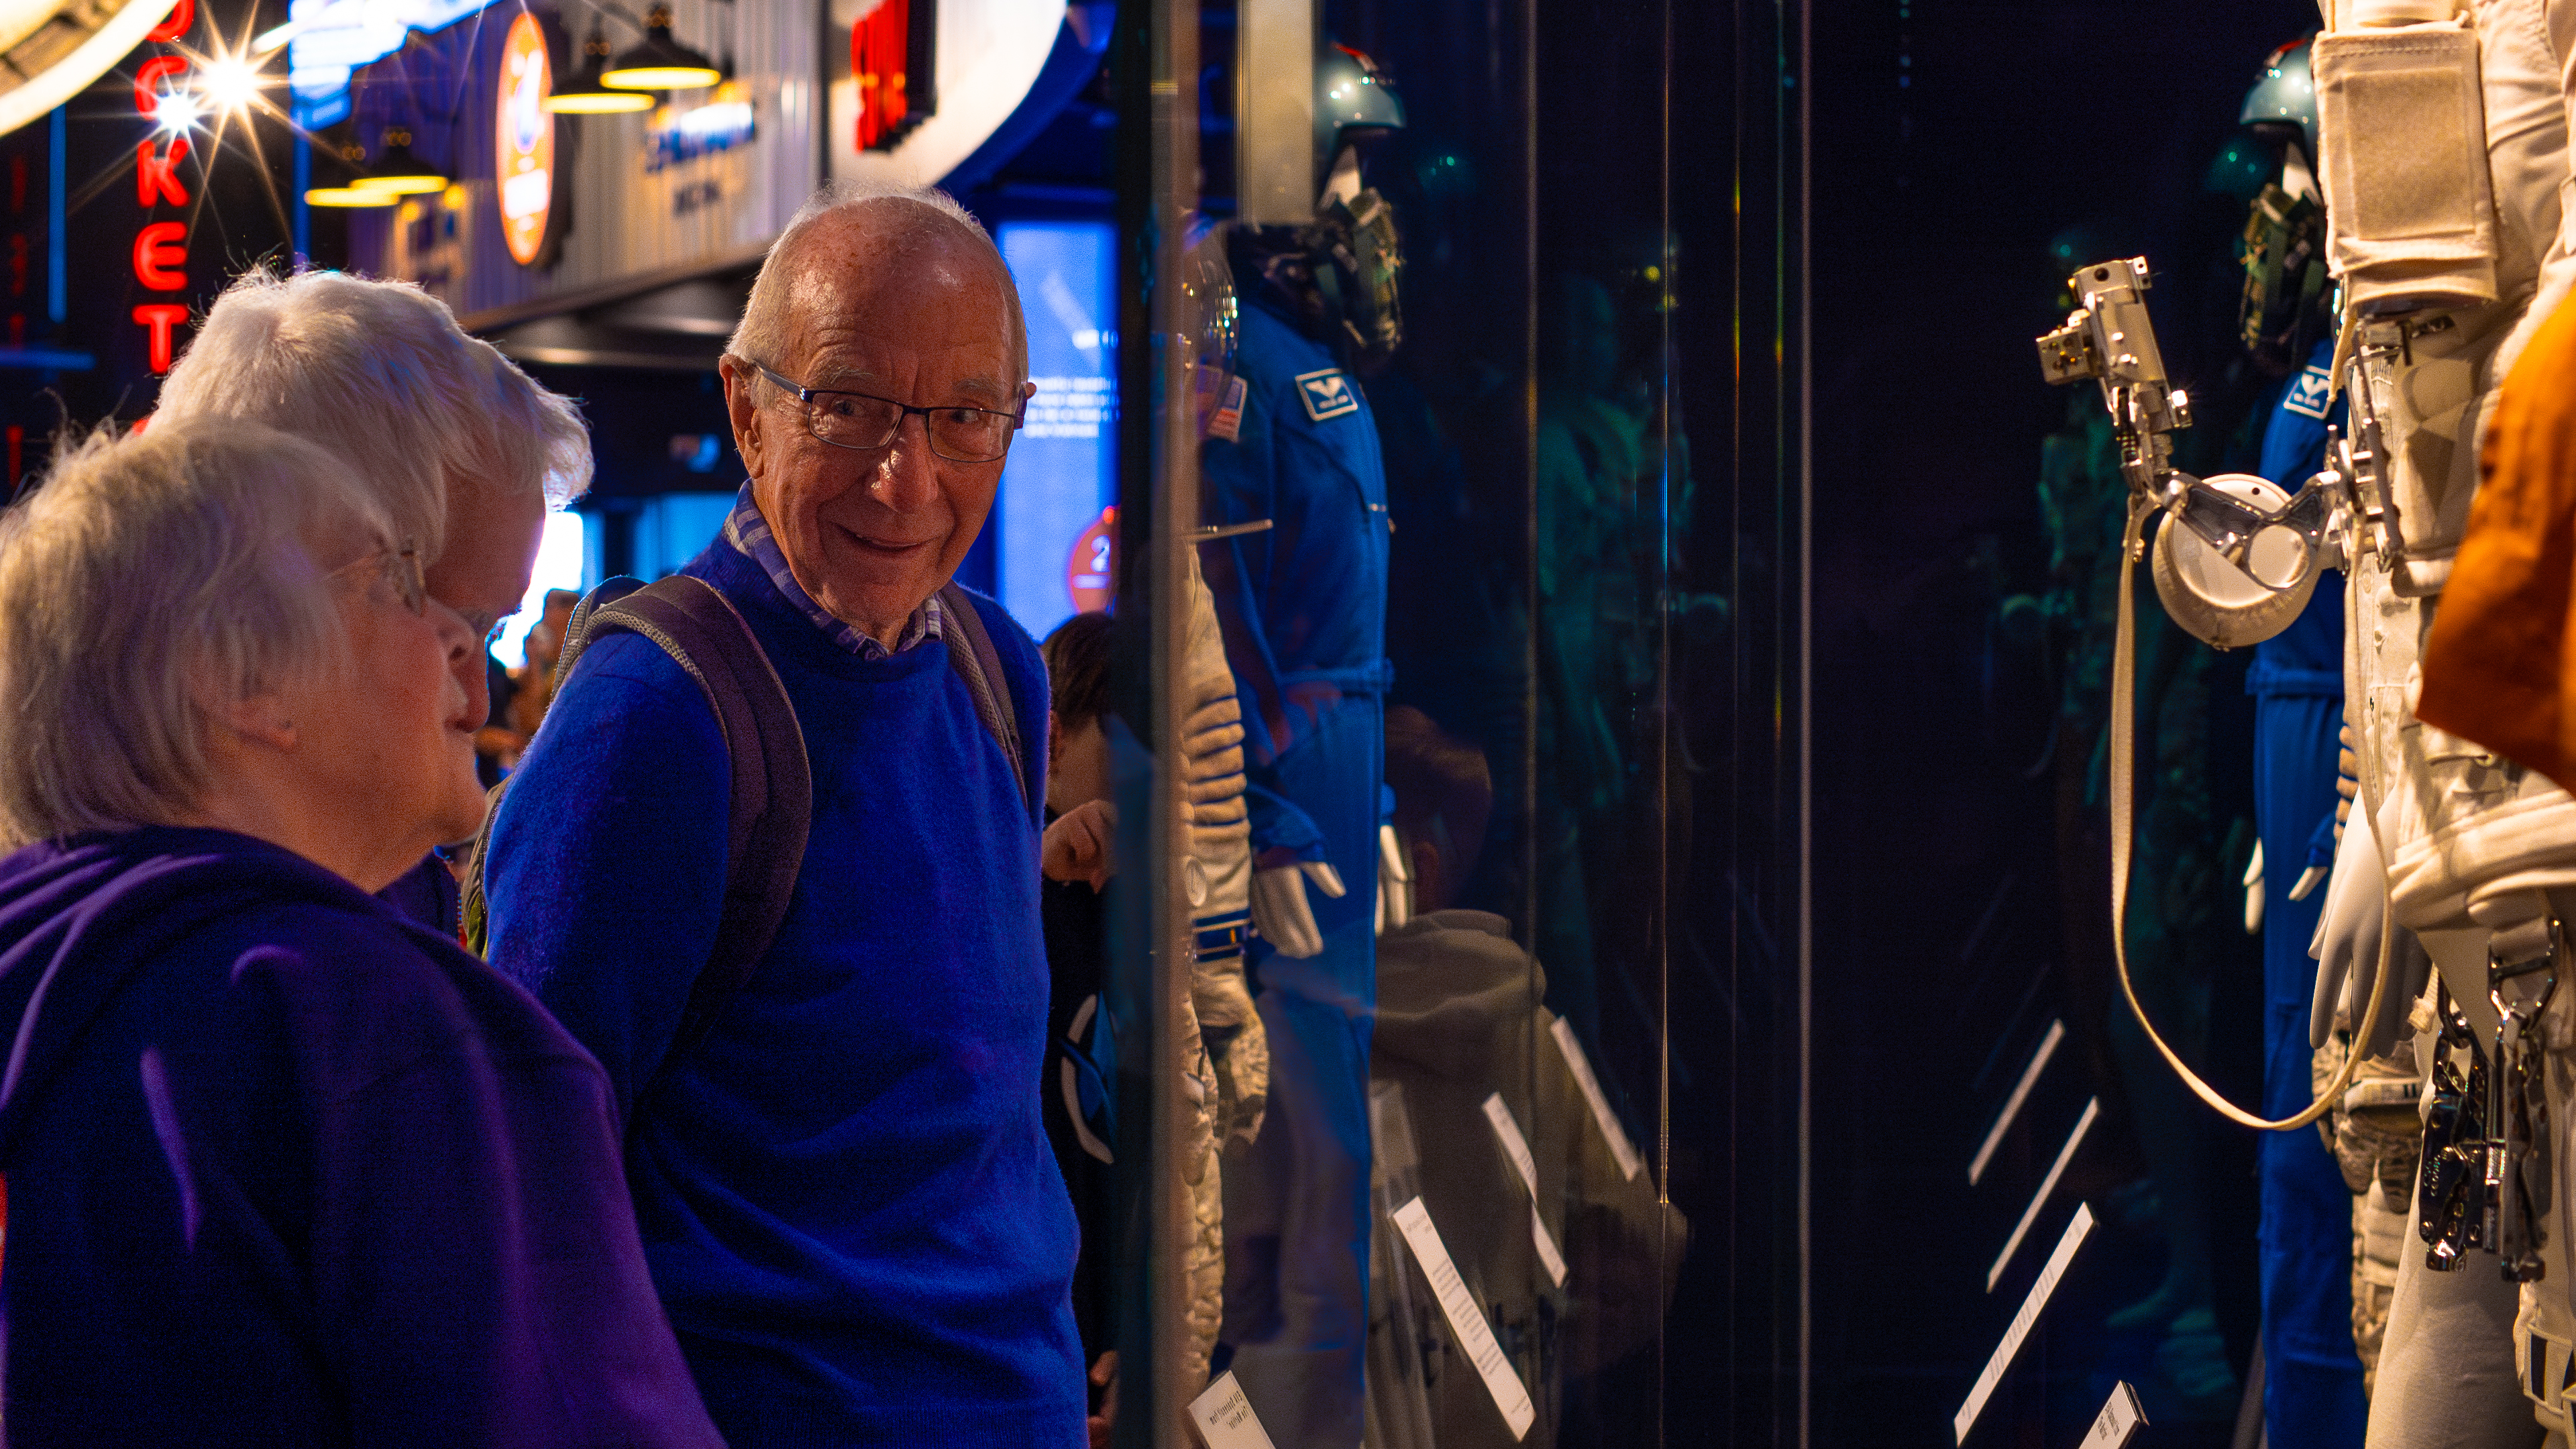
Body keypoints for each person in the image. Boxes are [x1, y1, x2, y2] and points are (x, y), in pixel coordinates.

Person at [482, 179, 1083, 1446]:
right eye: (849, 405)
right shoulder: (654, 717)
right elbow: (525, 1181)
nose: (905, 479)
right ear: (747, 411)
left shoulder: (1000, 672)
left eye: (964, 418)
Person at [0, 421, 720, 1448]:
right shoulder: (386, 1031)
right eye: (395, 583)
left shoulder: (44, 977)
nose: (460, 639)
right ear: (243, 680)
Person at [151, 268, 590, 934]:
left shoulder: (360, 897)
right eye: (457, 633)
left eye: (494, 635)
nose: (476, 703)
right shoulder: (249, 962)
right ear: (259, 626)